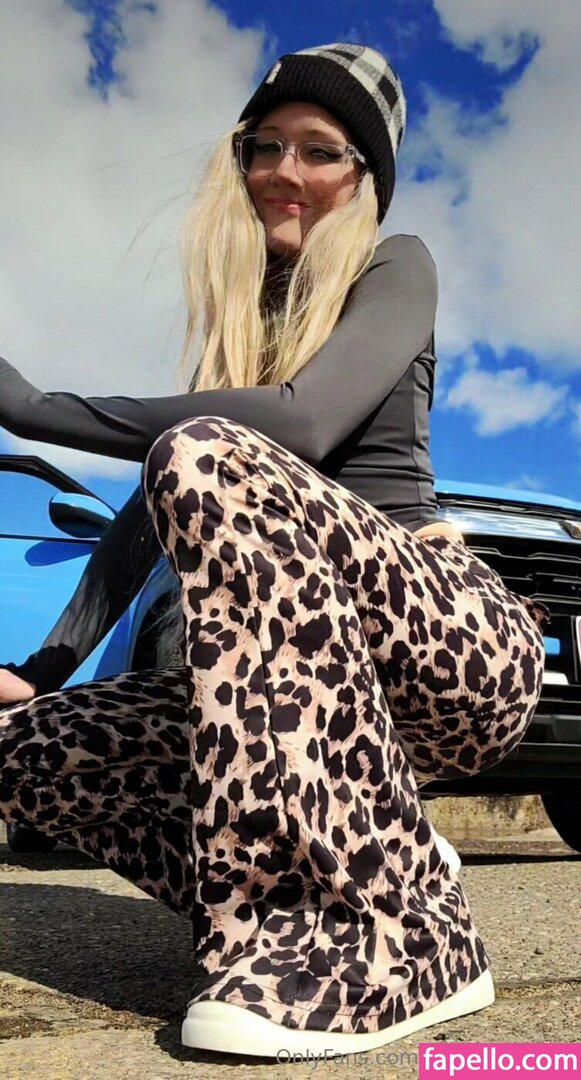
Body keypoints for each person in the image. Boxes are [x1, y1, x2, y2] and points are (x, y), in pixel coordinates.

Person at [0, 43, 548, 1057]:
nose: (283, 171)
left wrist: (35, 409)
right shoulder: (243, 323)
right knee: (25, 751)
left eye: (320, 150)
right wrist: (37, 671)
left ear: (363, 176)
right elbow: (143, 516)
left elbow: (299, 423)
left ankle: (405, 942)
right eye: (264, 146)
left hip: (446, 645)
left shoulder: (396, 263)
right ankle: (360, 870)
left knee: (204, 453)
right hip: (310, 701)